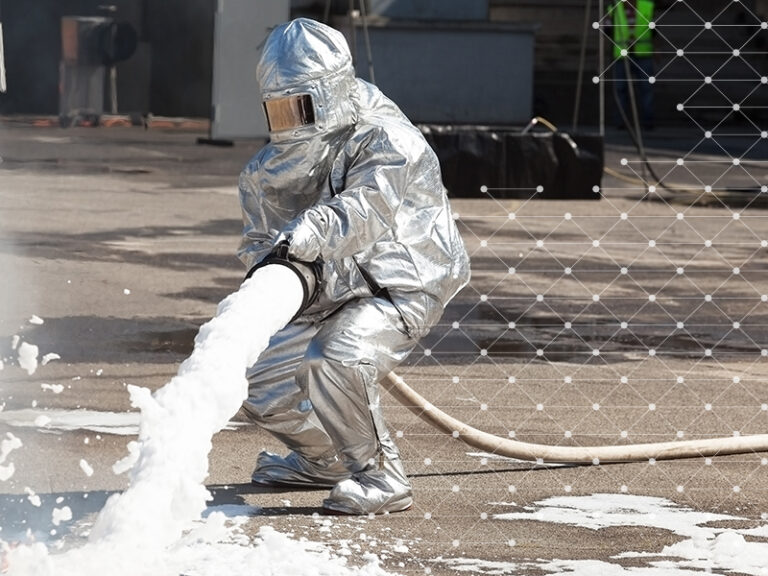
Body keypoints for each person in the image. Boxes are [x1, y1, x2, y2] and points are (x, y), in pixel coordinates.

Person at [236, 18, 471, 515]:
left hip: (400, 282)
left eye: (299, 106)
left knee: (336, 356)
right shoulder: (265, 170)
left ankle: (380, 476)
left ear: (330, 92)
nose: (289, 123)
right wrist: (265, 280)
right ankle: (324, 459)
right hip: (328, 286)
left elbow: (363, 212)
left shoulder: (388, 141)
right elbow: (259, 242)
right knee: (254, 375)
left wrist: (303, 236)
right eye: (278, 109)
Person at [608, 0, 655, 130]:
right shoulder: (614, 7)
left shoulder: (647, 6)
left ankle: (647, 121)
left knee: (646, 88)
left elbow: (655, 29)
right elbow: (607, 31)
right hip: (621, 54)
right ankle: (620, 121)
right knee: (620, 88)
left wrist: (657, 50)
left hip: (643, 53)